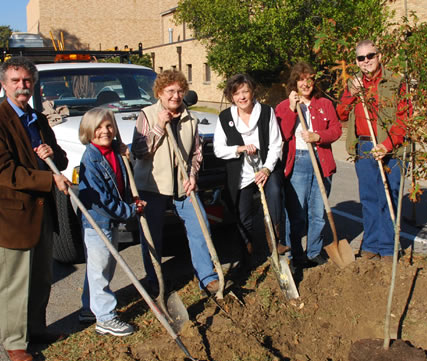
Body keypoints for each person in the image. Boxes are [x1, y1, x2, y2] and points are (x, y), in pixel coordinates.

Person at [0, 57, 71, 361]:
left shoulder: (37, 118)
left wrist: (52, 154)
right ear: (4, 84)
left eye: (27, 81)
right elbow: (4, 172)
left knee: (41, 277)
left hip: (42, 214)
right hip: (12, 217)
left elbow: (61, 158)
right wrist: (50, 178)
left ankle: (36, 329)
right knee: (14, 283)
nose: (22, 86)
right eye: (15, 81)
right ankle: (15, 342)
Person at [131, 70, 219, 294]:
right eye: (170, 91)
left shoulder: (191, 119)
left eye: (180, 91)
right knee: (152, 235)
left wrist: (192, 176)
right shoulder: (147, 115)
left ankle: (207, 277)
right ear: (160, 93)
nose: (176, 96)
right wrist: (159, 126)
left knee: (201, 226)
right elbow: (139, 151)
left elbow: (196, 153)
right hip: (153, 185)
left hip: (183, 184)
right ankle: (155, 281)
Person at [336, 39, 410, 262]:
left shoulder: (395, 82)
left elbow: (404, 119)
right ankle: (370, 245)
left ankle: (388, 248)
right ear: (357, 62)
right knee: (369, 198)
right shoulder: (353, 84)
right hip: (365, 145)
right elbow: (341, 113)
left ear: (379, 56)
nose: (366, 60)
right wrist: (352, 93)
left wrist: (387, 145)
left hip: (391, 147)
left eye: (370, 56)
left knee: (389, 195)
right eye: (361, 58)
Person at [77, 108, 146, 336]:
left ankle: (89, 309)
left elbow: (121, 182)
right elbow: (102, 201)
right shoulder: (91, 160)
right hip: (99, 222)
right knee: (101, 270)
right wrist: (129, 210)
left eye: (109, 126)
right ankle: (105, 318)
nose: (105, 131)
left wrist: (128, 156)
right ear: (88, 130)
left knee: (100, 267)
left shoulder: (114, 151)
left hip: (111, 221)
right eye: (98, 127)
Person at [214, 73, 287, 261]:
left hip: (265, 167)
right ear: (231, 96)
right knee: (243, 215)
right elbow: (218, 149)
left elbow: (276, 144)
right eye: (237, 93)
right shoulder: (224, 118)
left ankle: (274, 240)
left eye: (245, 91)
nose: (242, 97)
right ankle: (246, 254)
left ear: (253, 92)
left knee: (275, 192)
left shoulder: (266, 112)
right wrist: (239, 148)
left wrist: (267, 169)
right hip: (241, 172)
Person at [275, 62, 342, 267]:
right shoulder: (284, 106)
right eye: (301, 79)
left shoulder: (324, 104)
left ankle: (314, 251)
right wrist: (292, 108)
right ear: (294, 82)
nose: (306, 83)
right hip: (299, 161)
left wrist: (318, 135)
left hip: (321, 160)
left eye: (309, 79)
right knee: (297, 212)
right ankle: (294, 253)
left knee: (317, 212)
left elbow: (337, 130)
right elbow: (284, 134)